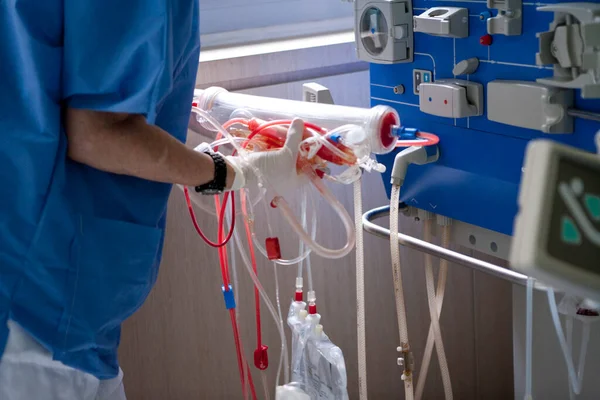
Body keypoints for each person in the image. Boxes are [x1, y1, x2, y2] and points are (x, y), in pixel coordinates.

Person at [0, 2, 304, 398]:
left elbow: (67, 72)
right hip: (38, 300)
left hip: (47, 284)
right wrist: (232, 173)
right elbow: (97, 134)